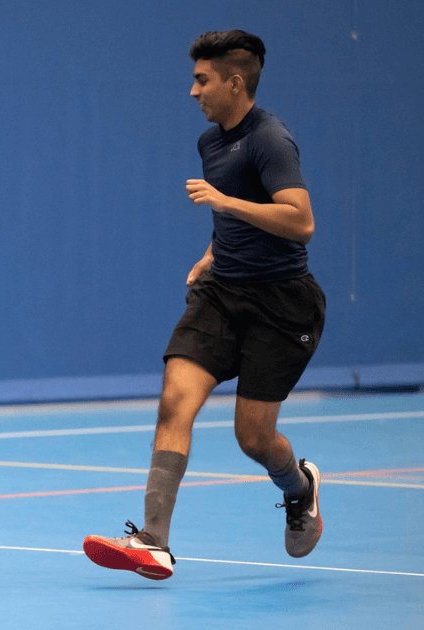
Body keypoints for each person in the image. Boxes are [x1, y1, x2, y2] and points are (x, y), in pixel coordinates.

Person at [83, 30, 325, 580]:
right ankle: (154, 541)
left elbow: (301, 221)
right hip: (222, 294)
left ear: (234, 82)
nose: (193, 92)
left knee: (254, 438)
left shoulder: (270, 140)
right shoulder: (211, 143)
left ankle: (300, 485)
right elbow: (232, 219)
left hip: (282, 305)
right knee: (175, 399)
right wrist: (212, 253)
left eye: (202, 80)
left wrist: (225, 202)